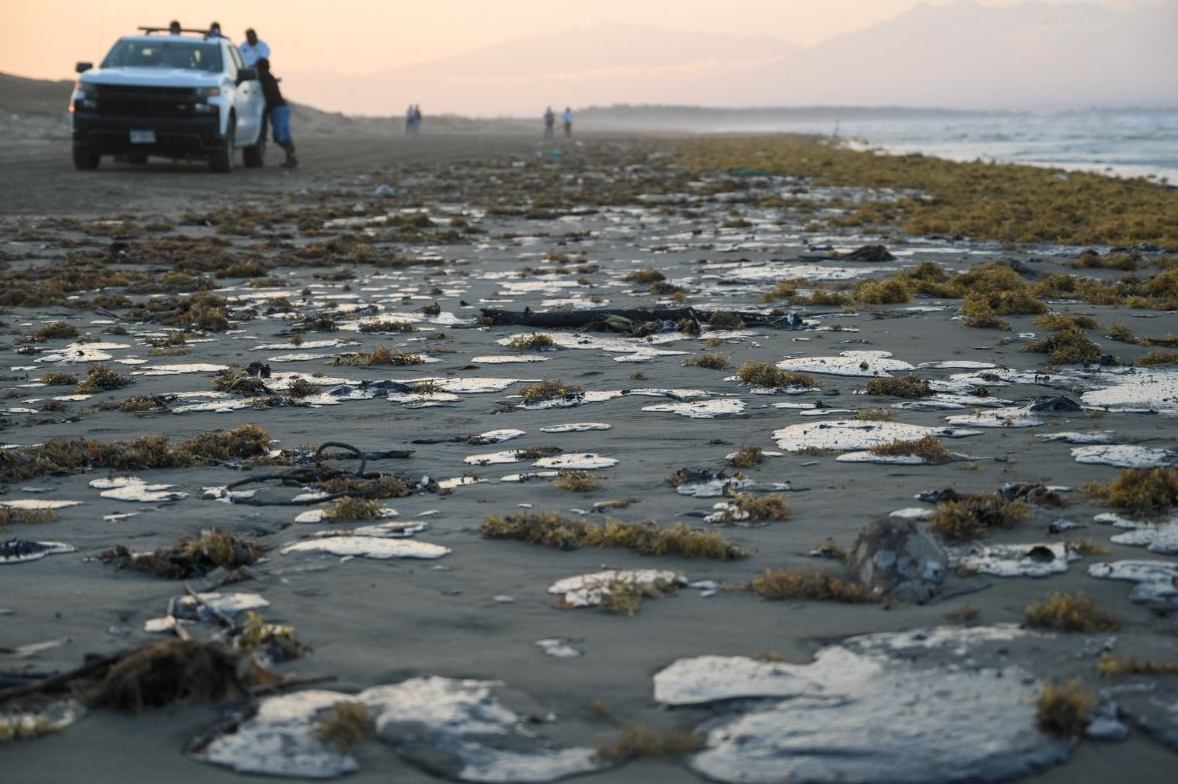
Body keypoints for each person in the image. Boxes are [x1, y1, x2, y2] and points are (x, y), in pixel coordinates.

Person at [256, 57, 297, 168]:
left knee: (282, 136)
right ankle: (291, 158)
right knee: (279, 136)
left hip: (278, 109)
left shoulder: (264, 76)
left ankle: (292, 158)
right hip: (278, 109)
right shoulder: (268, 76)